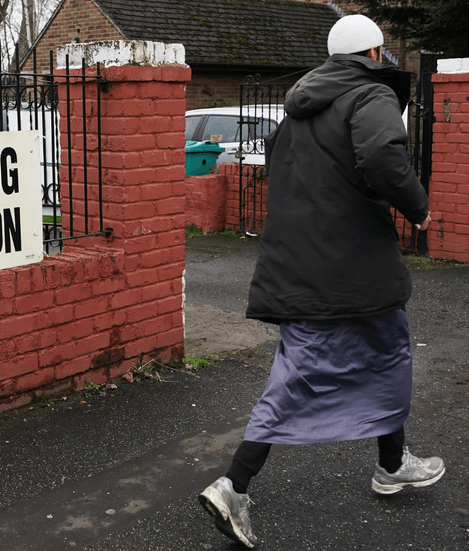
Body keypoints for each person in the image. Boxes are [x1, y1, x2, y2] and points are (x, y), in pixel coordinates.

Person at [197, 14, 441, 548]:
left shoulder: (299, 112)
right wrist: (418, 208)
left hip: (305, 263)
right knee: (306, 373)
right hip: (348, 267)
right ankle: (234, 485)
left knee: (382, 355)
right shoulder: (370, 94)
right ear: (374, 54)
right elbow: (382, 156)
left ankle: (392, 464)